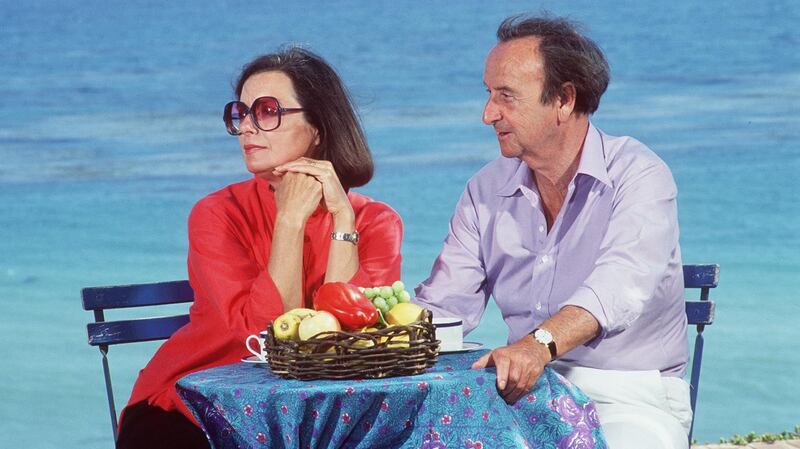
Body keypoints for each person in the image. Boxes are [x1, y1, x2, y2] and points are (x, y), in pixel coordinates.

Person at [414, 15, 692, 449]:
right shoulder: (485, 189)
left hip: (628, 400)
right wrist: (369, 340)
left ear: (564, 99)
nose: (488, 114)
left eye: (505, 96)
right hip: (520, 397)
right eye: (488, 94)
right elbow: (445, 307)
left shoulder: (639, 174)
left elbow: (620, 285)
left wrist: (537, 345)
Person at [116, 47, 403, 449]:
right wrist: (289, 220)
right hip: (192, 408)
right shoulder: (216, 213)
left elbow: (347, 340)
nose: (247, 127)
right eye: (242, 113)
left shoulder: (376, 222)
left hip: (315, 414)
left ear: (318, 126)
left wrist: (341, 217)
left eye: (267, 111)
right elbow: (261, 338)